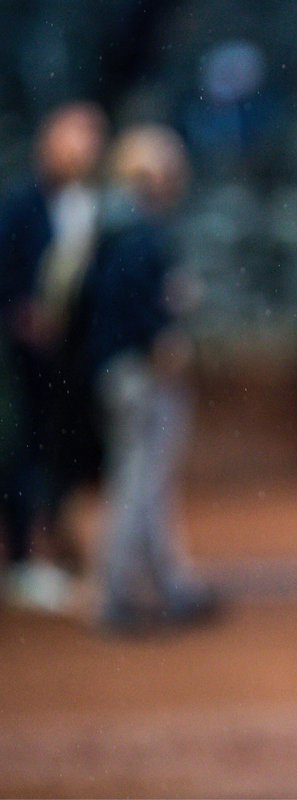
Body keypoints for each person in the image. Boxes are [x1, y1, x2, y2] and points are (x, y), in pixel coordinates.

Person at [78, 124, 216, 633]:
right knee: (137, 485)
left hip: (122, 369)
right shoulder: (133, 228)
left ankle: (169, 586)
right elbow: (131, 298)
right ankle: (113, 596)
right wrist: (158, 335)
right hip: (137, 373)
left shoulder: (118, 223)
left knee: (146, 484)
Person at [0, 102, 108, 610]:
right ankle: (22, 558)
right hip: (24, 359)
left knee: (65, 455)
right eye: (72, 138)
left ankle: (60, 549)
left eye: (89, 139)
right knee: (25, 453)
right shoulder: (21, 204)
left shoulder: (94, 206)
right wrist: (20, 314)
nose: (81, 149)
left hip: (73, 359)